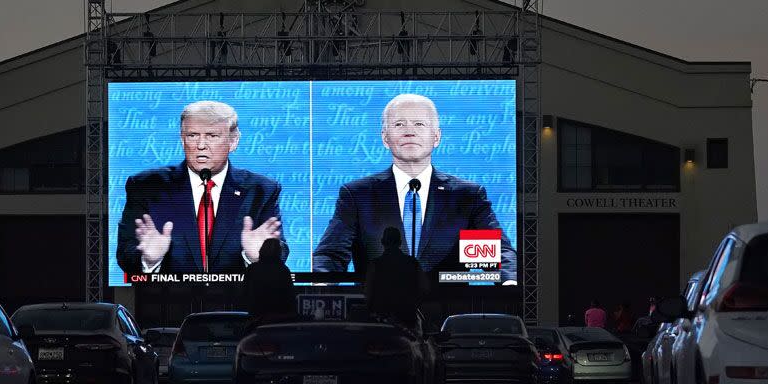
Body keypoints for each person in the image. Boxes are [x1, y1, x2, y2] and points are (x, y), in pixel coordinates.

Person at [312, 93, 517, 284]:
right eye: (399, 124)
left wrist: (509, 283)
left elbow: (498, 253)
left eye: (419, 124)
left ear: (436, 137)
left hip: (446, 312)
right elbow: (330, 255)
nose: (409, 131)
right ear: (385, 138)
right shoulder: (358, 195)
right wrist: (322, 286)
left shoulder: (466, 197)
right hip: (378, 314)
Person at [116, 101, 287, 276]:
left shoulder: (261, 190)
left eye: (212, 136)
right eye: (192, 135)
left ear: (233, 141)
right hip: (167, 299)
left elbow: (280, 253)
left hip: (238, 300)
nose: (201, 145)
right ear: (182, 140)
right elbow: (124, 253)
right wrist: (149, 260)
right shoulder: (147, 186)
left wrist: (258, 257)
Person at [364, 227, 428, 329]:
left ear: (382, 242)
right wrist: (412, 306)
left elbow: (368, 293)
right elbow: (424, 289)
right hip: (407, 320)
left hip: (382, 323)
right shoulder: (413, 263)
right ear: (400, 243)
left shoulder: (375, 265)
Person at [240, 238, 297, 325]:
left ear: (262, 250)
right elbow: (290, 297)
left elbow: (244, 294)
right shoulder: (283, 270)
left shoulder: (252, 269)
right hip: (277, 322)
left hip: (255, 319)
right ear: (279, 252)